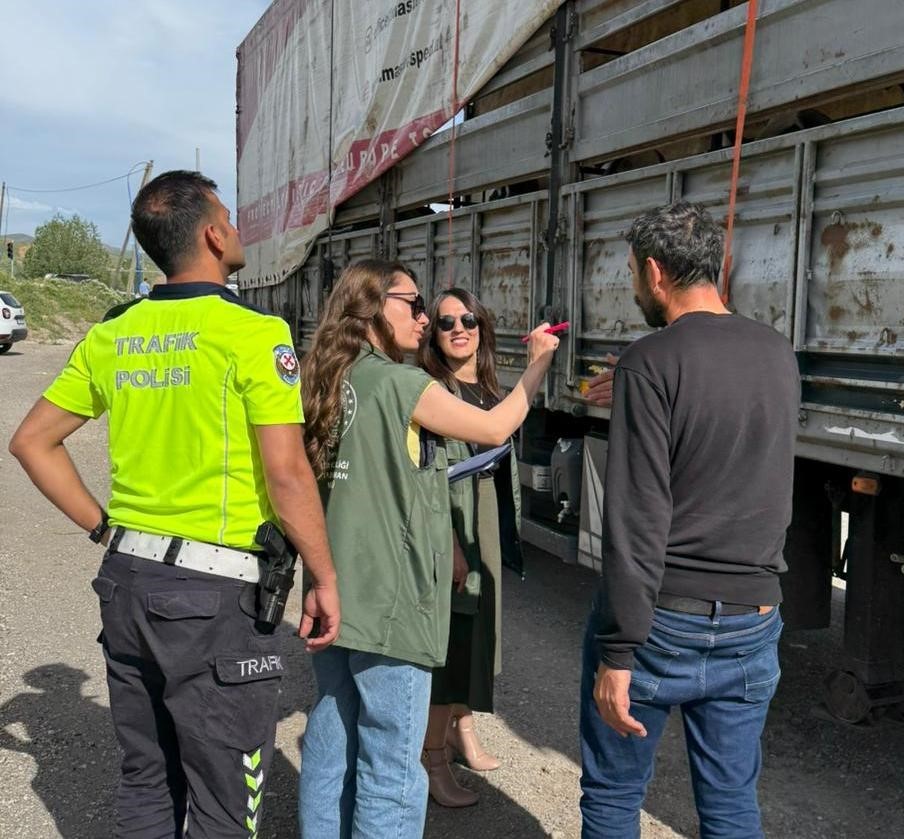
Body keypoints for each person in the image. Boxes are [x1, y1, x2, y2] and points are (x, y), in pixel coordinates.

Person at [7, 170, 341, 838]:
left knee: (147, 781)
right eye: (229, 217)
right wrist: (324, 576)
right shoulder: (253, 332)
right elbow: (286, 472)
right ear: (213, 235)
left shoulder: (115, 332)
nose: (236, 228)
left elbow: (32, 441)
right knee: (227, 800)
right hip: (215, 597)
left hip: (127, 581)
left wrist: (103, 527)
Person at [296, 260, 559, 837]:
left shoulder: (326, 378)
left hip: (334, 590)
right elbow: (495, 429)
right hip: (392, 600)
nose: (423, 317)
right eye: (413, 304)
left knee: (332, 740)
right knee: (392, 764)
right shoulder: (400, 384)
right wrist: (538, 362)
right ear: (371, 305)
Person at [578, 201, 801, 839]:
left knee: (614, 796)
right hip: (753, 619)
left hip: (662, 622)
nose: (634, 286)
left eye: (631, 273)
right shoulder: (777, 352)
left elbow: (637, 517)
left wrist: (618, 651)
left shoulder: (651, 361)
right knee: (731, 805)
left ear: (655, 273)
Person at [417, 288, 524, 807]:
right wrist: (452, 546)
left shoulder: (486, 385)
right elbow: (428, 480)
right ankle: (431, 758)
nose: (458, 329)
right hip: (456, 520)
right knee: (455, 643)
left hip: (484, 518)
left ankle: (462, 732)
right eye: (445, 323)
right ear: (434, 335)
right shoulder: (434, 389)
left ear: (482, 325)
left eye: (468, 319)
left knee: (477, 635)